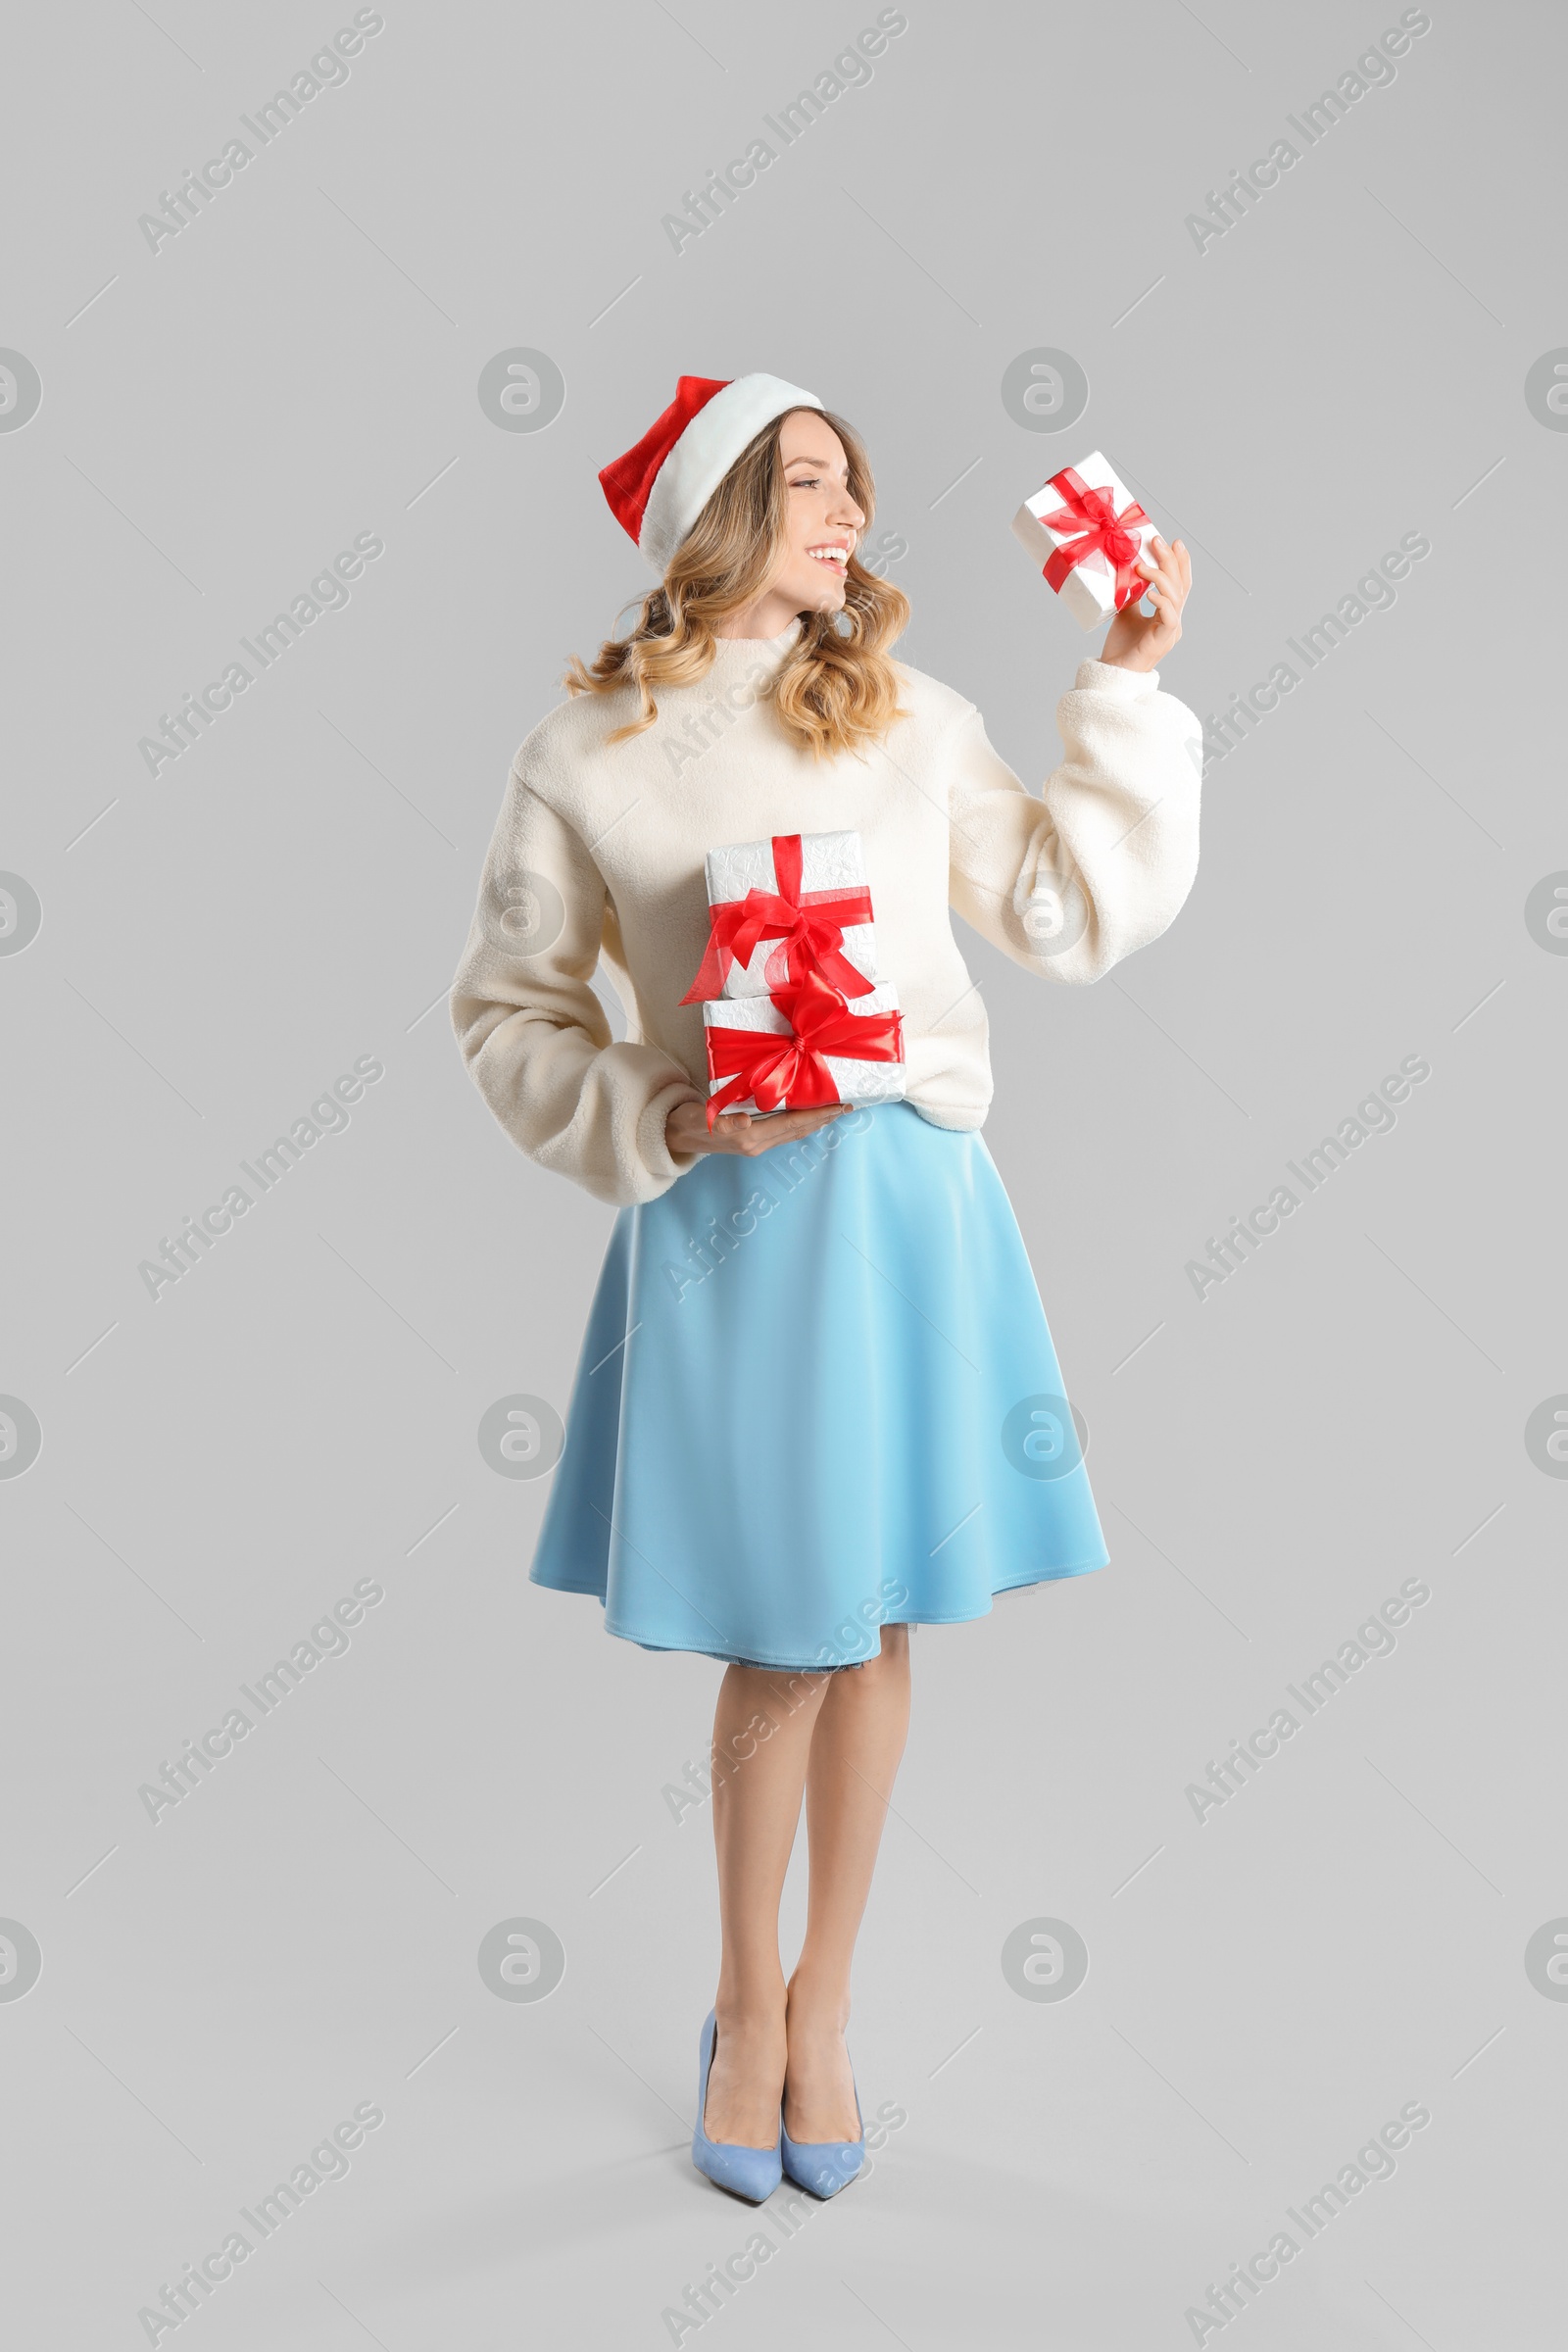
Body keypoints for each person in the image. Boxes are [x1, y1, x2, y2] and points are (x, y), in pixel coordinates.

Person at [449, 371, 1199, 2202]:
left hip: (912, 1205)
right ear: (713, 511)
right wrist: (666, 1107)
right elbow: (509, 1012)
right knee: (782, 1627)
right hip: (732, 1213)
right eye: (805, 483)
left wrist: (1125, 681)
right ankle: (745, 2004)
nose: (848, 513)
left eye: (850, 485)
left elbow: (1061, 911)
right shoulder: (591, 758)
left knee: (877, 1618)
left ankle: (830, 2005)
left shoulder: (906, 719)